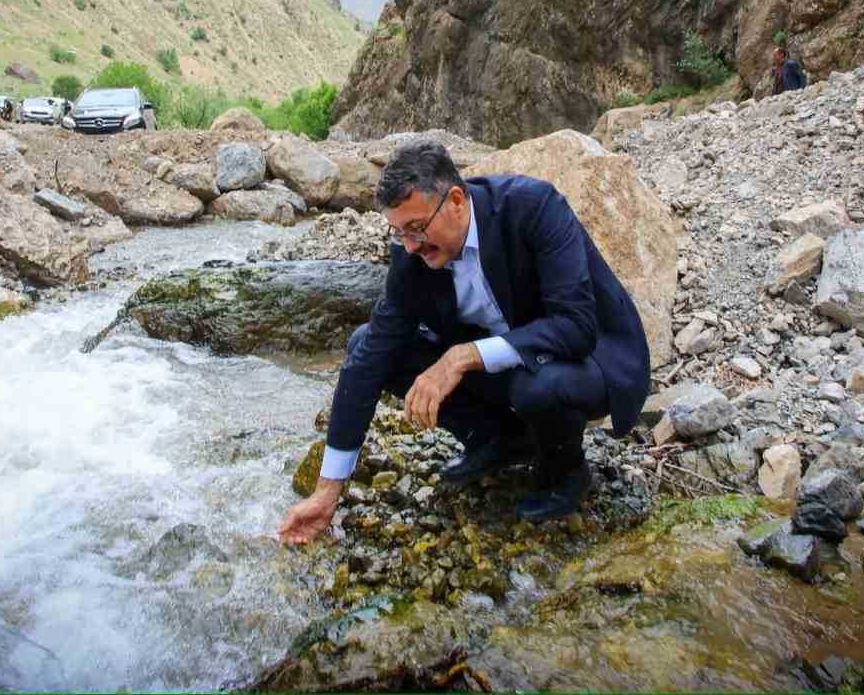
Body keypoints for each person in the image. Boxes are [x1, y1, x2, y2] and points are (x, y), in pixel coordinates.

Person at [277, 140, 650, 544]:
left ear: (455, 200)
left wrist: (463, 357)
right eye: (398, 232)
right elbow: (373, 354)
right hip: (502, 361)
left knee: (538, 385)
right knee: (365, 343)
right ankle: (500, 437)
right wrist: (326, 493)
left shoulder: (533, 206)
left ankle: (567, 471)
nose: (410, 245)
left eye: (417, 228)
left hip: (588, 359)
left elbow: (575, 326)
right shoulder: (411, 251)